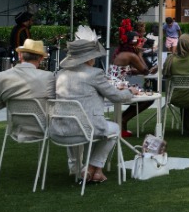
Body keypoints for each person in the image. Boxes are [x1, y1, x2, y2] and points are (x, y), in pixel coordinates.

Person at [53, 26, 135, 185]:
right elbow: (116, 96)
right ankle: (91, 168)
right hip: (85, 129)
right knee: (114, 128)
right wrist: (130, 91)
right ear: (89, 57)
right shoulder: (95, 73)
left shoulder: (59, 74)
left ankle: (89, 171)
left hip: (60, 128)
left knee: (93, 125)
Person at [0, 39, 54, 128]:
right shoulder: (48, 77)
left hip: (15, 128)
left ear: (19, 56)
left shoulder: (1, 77)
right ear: (41, 58)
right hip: (42, 128)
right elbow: (54, 105)